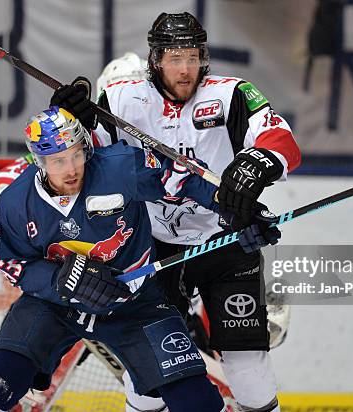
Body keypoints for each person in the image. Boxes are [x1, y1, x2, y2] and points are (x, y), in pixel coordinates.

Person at [51, 11, 301, 412]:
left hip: (224, 242)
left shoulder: (233, 94)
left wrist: (256, 162)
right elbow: (81, 162)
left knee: (249, 368)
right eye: (174, 58)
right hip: (151, 247)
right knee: (145, 374)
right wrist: (70, 122)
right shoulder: (120, 99)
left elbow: (282, 139)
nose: (185, 69)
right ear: (155, 60)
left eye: (192, 57)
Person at [0, 106, 280, 412]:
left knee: (197, 401)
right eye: (58, 161)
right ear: (40, 161)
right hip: (55, 307)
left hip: (136, 304)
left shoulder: (120, 167)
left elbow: (183, 179)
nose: (71, 169)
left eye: (75, 154)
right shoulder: (16, 203)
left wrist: (237, 211)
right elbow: (12, 263)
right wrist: (59, 281)